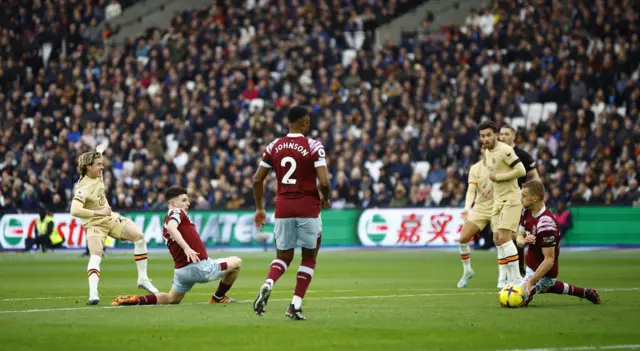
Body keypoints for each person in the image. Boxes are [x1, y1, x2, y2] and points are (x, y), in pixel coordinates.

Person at [252, 105, 331, 320]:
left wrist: (259, 208)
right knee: (309, 258)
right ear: (304, 123)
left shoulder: (274, 146)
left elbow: (257, 179)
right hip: (308, 207)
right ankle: (295, 305)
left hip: (283, 208)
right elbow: (324, 181)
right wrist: (326, 197)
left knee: (284, 257)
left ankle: (268, 283)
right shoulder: (314, 146)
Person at [112, 186, 242, 306]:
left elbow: (170, 227)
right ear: (173, 203)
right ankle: (218, 297)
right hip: (200, 267)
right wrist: (187, 248)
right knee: (236, 262)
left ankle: (136, 300)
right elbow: (172, 227)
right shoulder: (177, 212)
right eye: (184, 200)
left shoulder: (166, 221)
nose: (188, 203)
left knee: (171, 298)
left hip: (182, 272)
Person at [70, 148, 158, 305]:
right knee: (96, 255)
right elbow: (74, 210)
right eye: (99, 165)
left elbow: (98, 153)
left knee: (139, 238)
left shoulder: (97, 174)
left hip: (110, 218)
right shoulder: (83, 187)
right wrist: (99, 212)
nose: (102, 167)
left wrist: (100, 149)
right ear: (89, 167)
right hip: (94, 224)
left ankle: (143, 279)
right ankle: (93, 293)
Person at [517, 180, 600, 306]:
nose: (521, 199)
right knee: (513, 296)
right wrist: (523, 241)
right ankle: (585, 292)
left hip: (545, 274)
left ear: (535, 198)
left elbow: (549, 260)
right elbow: (519, 236)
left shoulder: (546, 223)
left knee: (516, 300)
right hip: (531, 268)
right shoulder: (525, 211)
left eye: (524, 195)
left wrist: (531, 282)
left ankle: (535, 289)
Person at [478, 121, 526, 287]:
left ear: (496, 135)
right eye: (482, 136)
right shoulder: (487, 152)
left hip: (512, 198)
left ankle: (517, 279)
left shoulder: (505, 150)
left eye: (489, 135)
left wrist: (498, 178)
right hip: (498, 199)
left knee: (505, 237)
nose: (485, 139)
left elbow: (521, 171)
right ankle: (503, 279)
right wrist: (490, 187)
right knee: (497, 238)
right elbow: (494, 174)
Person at [499, 124, 540, 277]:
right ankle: (509, 269)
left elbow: (534, 176)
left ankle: (520, 269)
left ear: (514, 136)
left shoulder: (522, 155)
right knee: (501, 235)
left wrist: (538, 196)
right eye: (501, 134)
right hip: (499, 199)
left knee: (516, 235)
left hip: (517, 199)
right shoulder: (496, 155)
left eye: (506, 134)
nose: (502, 137)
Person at [457, 146, 493, 288]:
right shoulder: (475, 168)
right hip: (481, 207)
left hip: (499, 206)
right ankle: (467, 270)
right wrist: (467, 208)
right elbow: (471, 190)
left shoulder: (501, 166)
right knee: (463, 238)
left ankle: (504, 278)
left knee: (501, 240)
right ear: (482, 151)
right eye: (485, 149)